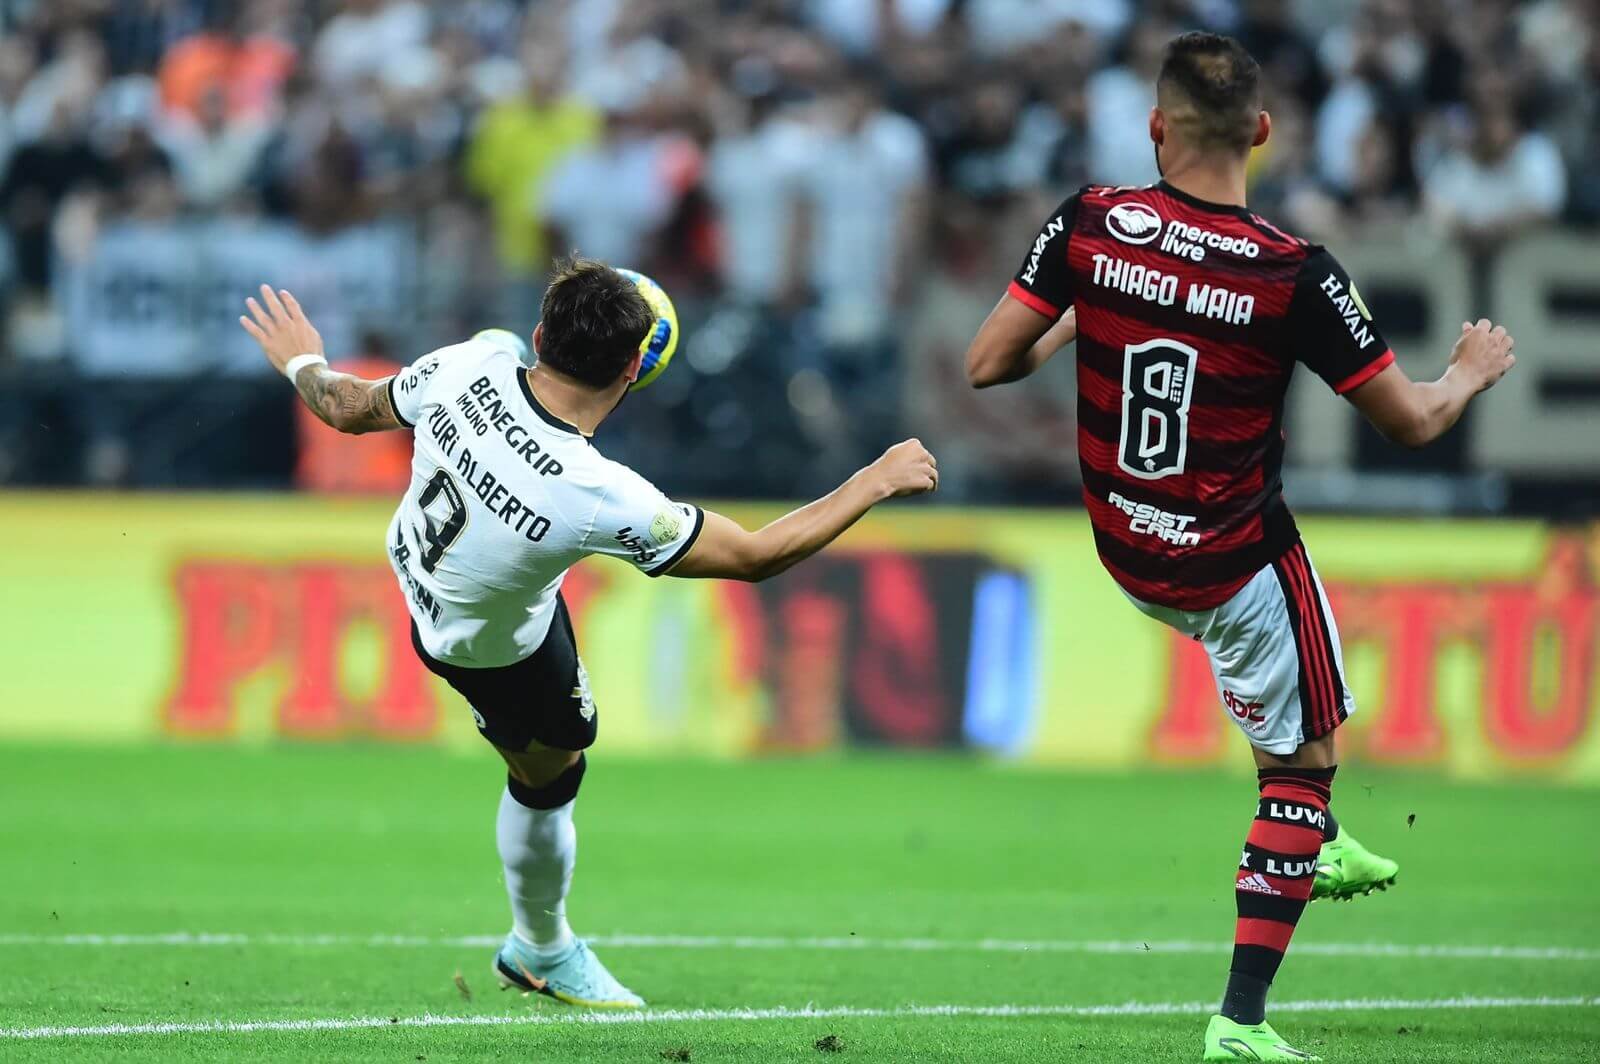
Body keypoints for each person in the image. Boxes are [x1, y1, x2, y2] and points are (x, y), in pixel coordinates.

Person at [963, 32, 1515, 1063]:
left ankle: (1313, 833)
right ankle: (1241, 1019)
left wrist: (1088, 309)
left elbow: (989, 360)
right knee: (1301, 765)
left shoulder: (1089, 222)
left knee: (1304, 709)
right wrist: (1469, 369)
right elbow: (1410, 423)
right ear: (1261, 131)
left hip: (1125, 542)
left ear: (1153, 125)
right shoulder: (1291, 270)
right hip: (1230, 559)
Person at [239, 259, 938, 1008]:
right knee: (553, 775)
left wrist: (301, 358)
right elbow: (758, 555)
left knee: (550, 744)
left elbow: (343, 407)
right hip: (494, 650)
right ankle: (541, 950)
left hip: (427, 578)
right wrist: (876, 478)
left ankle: (542, 945)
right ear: (638, 367)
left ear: (540, 334)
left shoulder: (469, 362)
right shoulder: (600, 494)